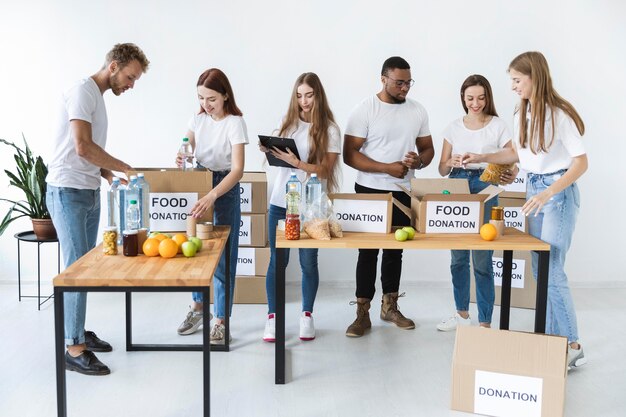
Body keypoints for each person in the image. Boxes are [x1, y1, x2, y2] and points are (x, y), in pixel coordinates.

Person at [463, 51, 588, 369]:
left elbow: (580, 163)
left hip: (556, 193)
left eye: (518, 80)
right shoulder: (522, 113)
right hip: (535, 189)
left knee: (552, 269)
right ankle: (551, 342)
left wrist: (548, 192)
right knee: (539, 270)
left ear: (535, 76)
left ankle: (573, 343)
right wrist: (480, 158)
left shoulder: (559, 114)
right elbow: (515, 155)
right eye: (512, 81)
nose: (514, 86)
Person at [46, 43, 150, 375]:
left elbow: (85, 153)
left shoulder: (97, 97)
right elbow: (82, 146)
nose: (131, 86)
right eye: (130, 77)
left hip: (87, 191)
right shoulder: (82, 91)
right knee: (76, 271)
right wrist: (123, 167)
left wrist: (106, 175)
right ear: (114, 66)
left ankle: (77, 331)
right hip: (68, 192)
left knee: (85, 268)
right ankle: (73, 348)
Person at [343, 56, 434, 337]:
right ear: (383, 79)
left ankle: (390, 306)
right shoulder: (365, 110)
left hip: (404, 190)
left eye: (409, 82)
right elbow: (349, 155)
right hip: (369, 190)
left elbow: (428, 149)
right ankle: (362, 311)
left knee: (396, 250)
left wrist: (418, 162)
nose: (405, 88)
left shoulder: (418, 110)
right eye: (399, 82)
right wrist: (386, 168)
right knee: (368, 251)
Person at [260, 72, 341, 342]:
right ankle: (273, 318)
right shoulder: (287, 126)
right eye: (298, 96)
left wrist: (296, 163)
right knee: (277, 262)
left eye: (309, 95)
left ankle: (307, 315)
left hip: (310, 206)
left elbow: (326, 171)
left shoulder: (330, 129)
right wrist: (270, 151)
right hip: (280, 203)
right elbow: (281, 161)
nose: (304, 101)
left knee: (308, 262)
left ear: (318, 95)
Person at [175, 68, 248, 345]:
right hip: (201, 179)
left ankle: (220, 321)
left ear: (225, 95)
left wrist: (214, 195)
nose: (206, 104)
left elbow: (238, 170)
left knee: (224, 259)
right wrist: (181, 156)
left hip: (225, 187)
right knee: (196, 251)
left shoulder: (235, 123)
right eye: (201, 98)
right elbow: (186, 147)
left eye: (212, 99)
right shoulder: (198, 118)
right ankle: (197, 307)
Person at [436, 74, 514, 331]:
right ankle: (461, 315)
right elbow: (441, 169)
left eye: (481, 98)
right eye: (470, 98)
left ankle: (484, 323)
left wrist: (503, 169)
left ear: (487, 97)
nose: (475, 103)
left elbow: (512, 158)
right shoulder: (453, 127)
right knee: (458, 257)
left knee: (482, 259)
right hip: (457, 184)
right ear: (463, 98)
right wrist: (452, 162)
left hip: (486, 185)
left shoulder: (499, 125)